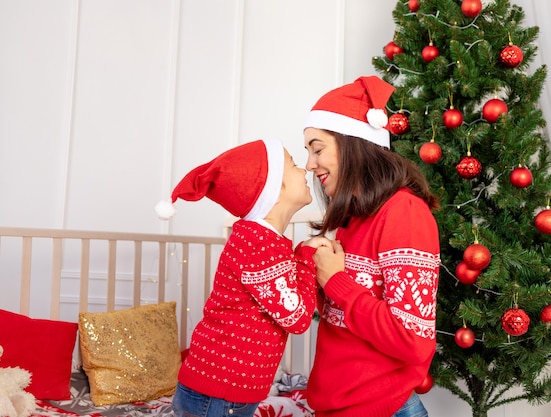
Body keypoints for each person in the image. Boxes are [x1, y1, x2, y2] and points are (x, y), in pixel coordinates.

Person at [155, 139, 330, 417]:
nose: (304, 170)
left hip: (224, 390)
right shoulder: (258, 242)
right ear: (274, 189)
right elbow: (296, 317)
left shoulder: (265, 240)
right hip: (219, 394)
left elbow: (281, 293)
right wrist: (307, 260)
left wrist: (300, 256)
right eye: (294, 165)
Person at [302, 76, 441, 417]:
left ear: (353, 143)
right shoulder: (356, 216)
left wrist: (337, 282)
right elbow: (346, 318)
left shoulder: (404, 212)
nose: (310, 164)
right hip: (341, 406)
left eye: (317, 149)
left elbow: (412, 340)